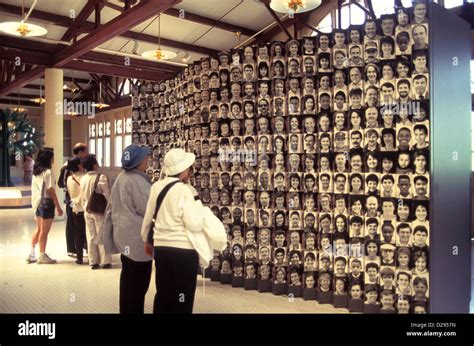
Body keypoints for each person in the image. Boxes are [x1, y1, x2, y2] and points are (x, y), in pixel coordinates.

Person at [141, 148, 204, 314]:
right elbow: (195, 224)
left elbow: (148, 217)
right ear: (183, 170)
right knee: (182, 297)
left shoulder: (156, 187)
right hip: (184, 251)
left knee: (164, 294)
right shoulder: (186, 191)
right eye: (190, 168)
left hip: (162, 249)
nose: (191, 172)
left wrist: (146, 240)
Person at [106, 145, 153, 314]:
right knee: (139, 285)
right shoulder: (138, 181)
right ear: (138, 162)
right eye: (145, 158)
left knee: (127, 279)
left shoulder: (122, 176)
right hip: (137, 240)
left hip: (124, 237)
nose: (147, 160)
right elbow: (149, 208)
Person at [26, 149, 63, 264]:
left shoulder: (36, 172)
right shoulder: (48, 172)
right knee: (44, 231)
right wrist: (58, 206)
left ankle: (32, 254)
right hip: (47, 203)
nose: (54, 159)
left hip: (38, 203)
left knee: (38, 229)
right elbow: (50, 190)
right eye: (52, 157)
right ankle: (42, 255)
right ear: (48, 159)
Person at [80, 154, 112, 270]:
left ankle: (93, 261)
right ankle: (105, 261)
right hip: (99, 211)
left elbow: (82, 195)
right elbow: (107, 195)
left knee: (91, 235)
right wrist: (111, 208)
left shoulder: (83, 178)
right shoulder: (101, 177)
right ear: (94, 165)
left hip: (87, 210)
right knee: (102, 234)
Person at [59, 143, 89, 258]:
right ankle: (73, 248)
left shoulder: (82, 163)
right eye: (86, 150)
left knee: (80, 223)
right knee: (73, 223)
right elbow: (61, 183)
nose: (87, 153)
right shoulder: (69, 165)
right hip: (72, 198)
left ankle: (82, 246)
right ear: (80, 152)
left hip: (78, 198)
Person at [65, 158, 86, 264]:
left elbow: (69, 193)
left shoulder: (69, 178)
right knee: (89, 233)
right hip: (85, 208)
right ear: (78, 166)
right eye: (81, 163)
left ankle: (79, 257)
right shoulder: (85, 177)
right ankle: (93, 257)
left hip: (75, 209)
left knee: (78, 233)